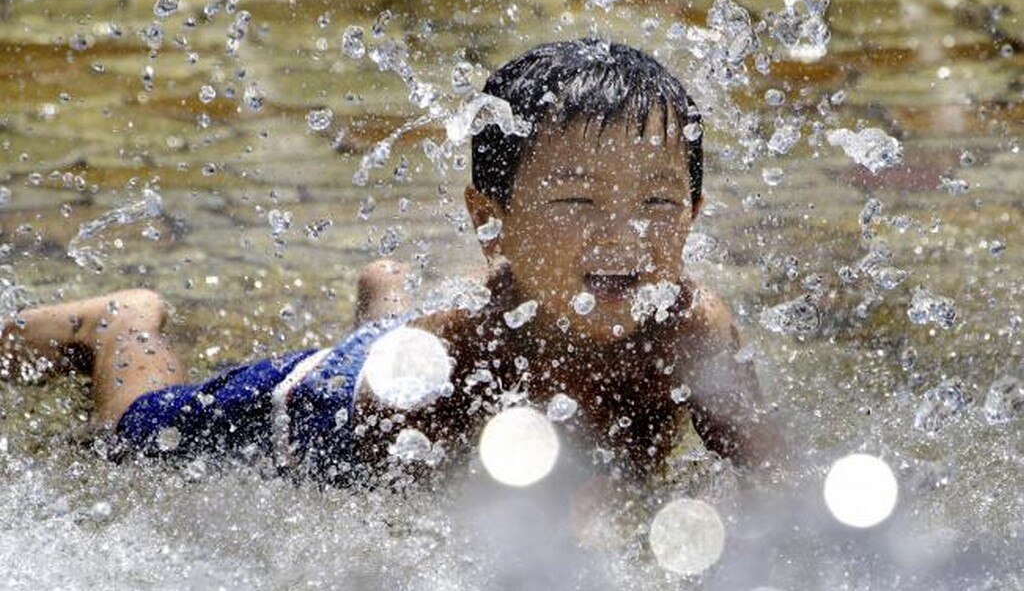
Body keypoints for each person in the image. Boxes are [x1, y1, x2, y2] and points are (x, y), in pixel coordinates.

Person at [0, 39, 782, 486]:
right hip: (328, 403)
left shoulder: (692, 326)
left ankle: (385, 299)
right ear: (491, 225)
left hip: (403, 352)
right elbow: (398, 532)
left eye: (656, 202)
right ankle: (117, 323)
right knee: (131, 445)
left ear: (695, 215)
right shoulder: (459, 359)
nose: (623, 236)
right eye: (576, 203)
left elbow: (779, 479)